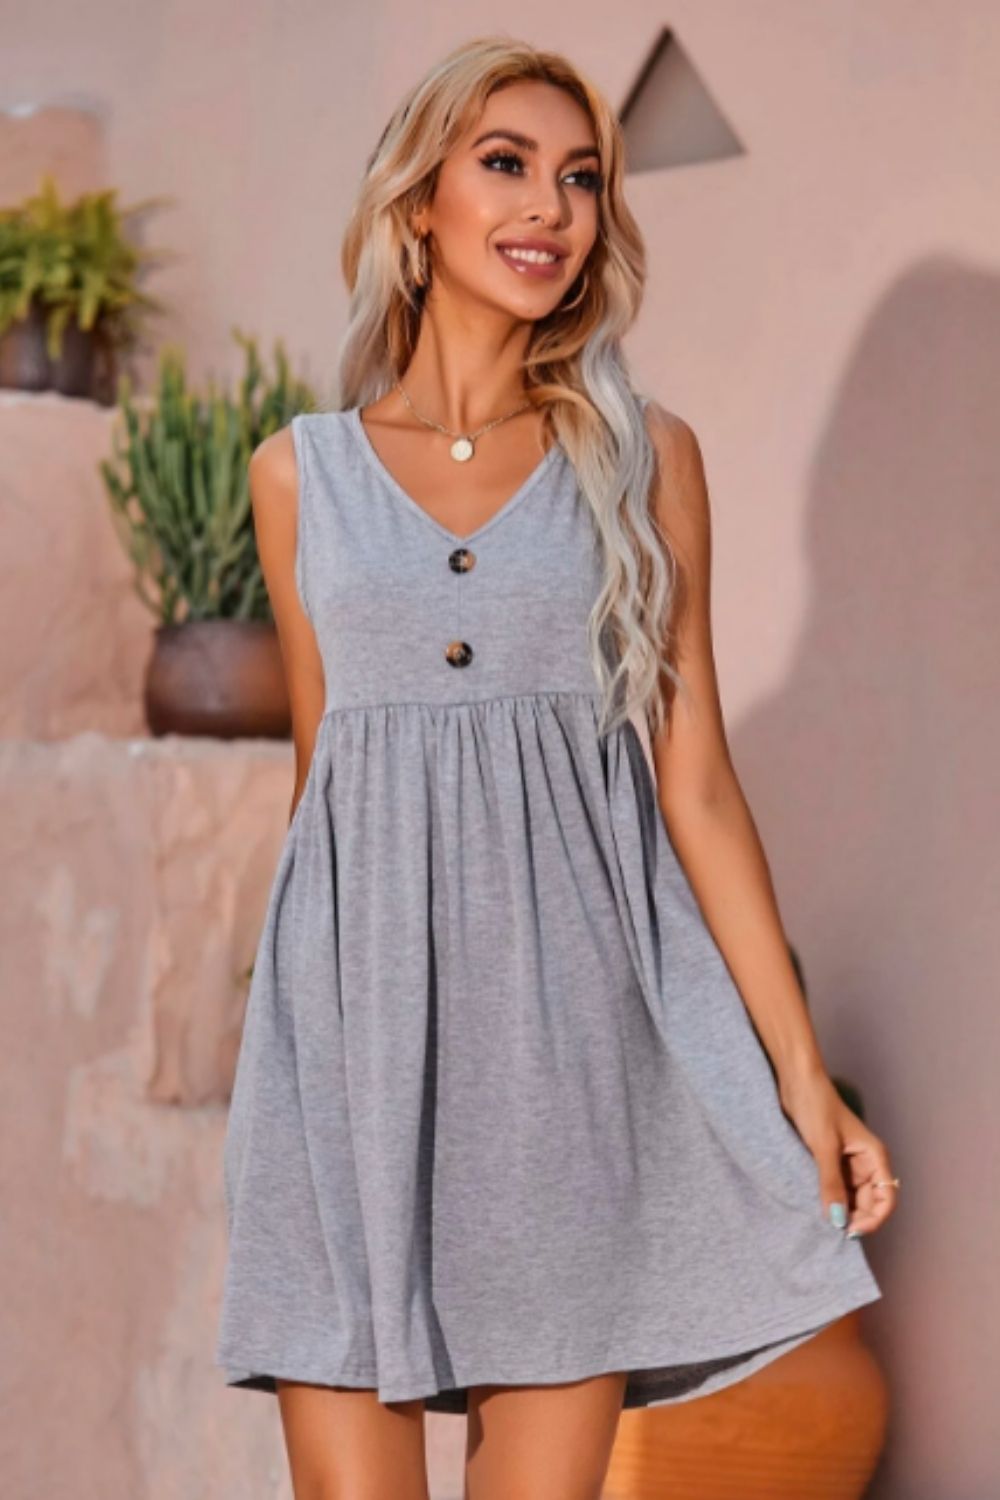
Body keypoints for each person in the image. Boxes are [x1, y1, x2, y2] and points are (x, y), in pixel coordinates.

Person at [215, 35, 899, 1500]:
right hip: (352, 1056)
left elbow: (695, 784)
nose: (551, 207)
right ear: (420, 204)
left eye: (580, 178)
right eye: (507, 165)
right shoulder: (298, 476)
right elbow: (323, 784)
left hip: (567, 1060)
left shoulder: (644, 461)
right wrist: (285, 1037)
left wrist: (802, 1079)